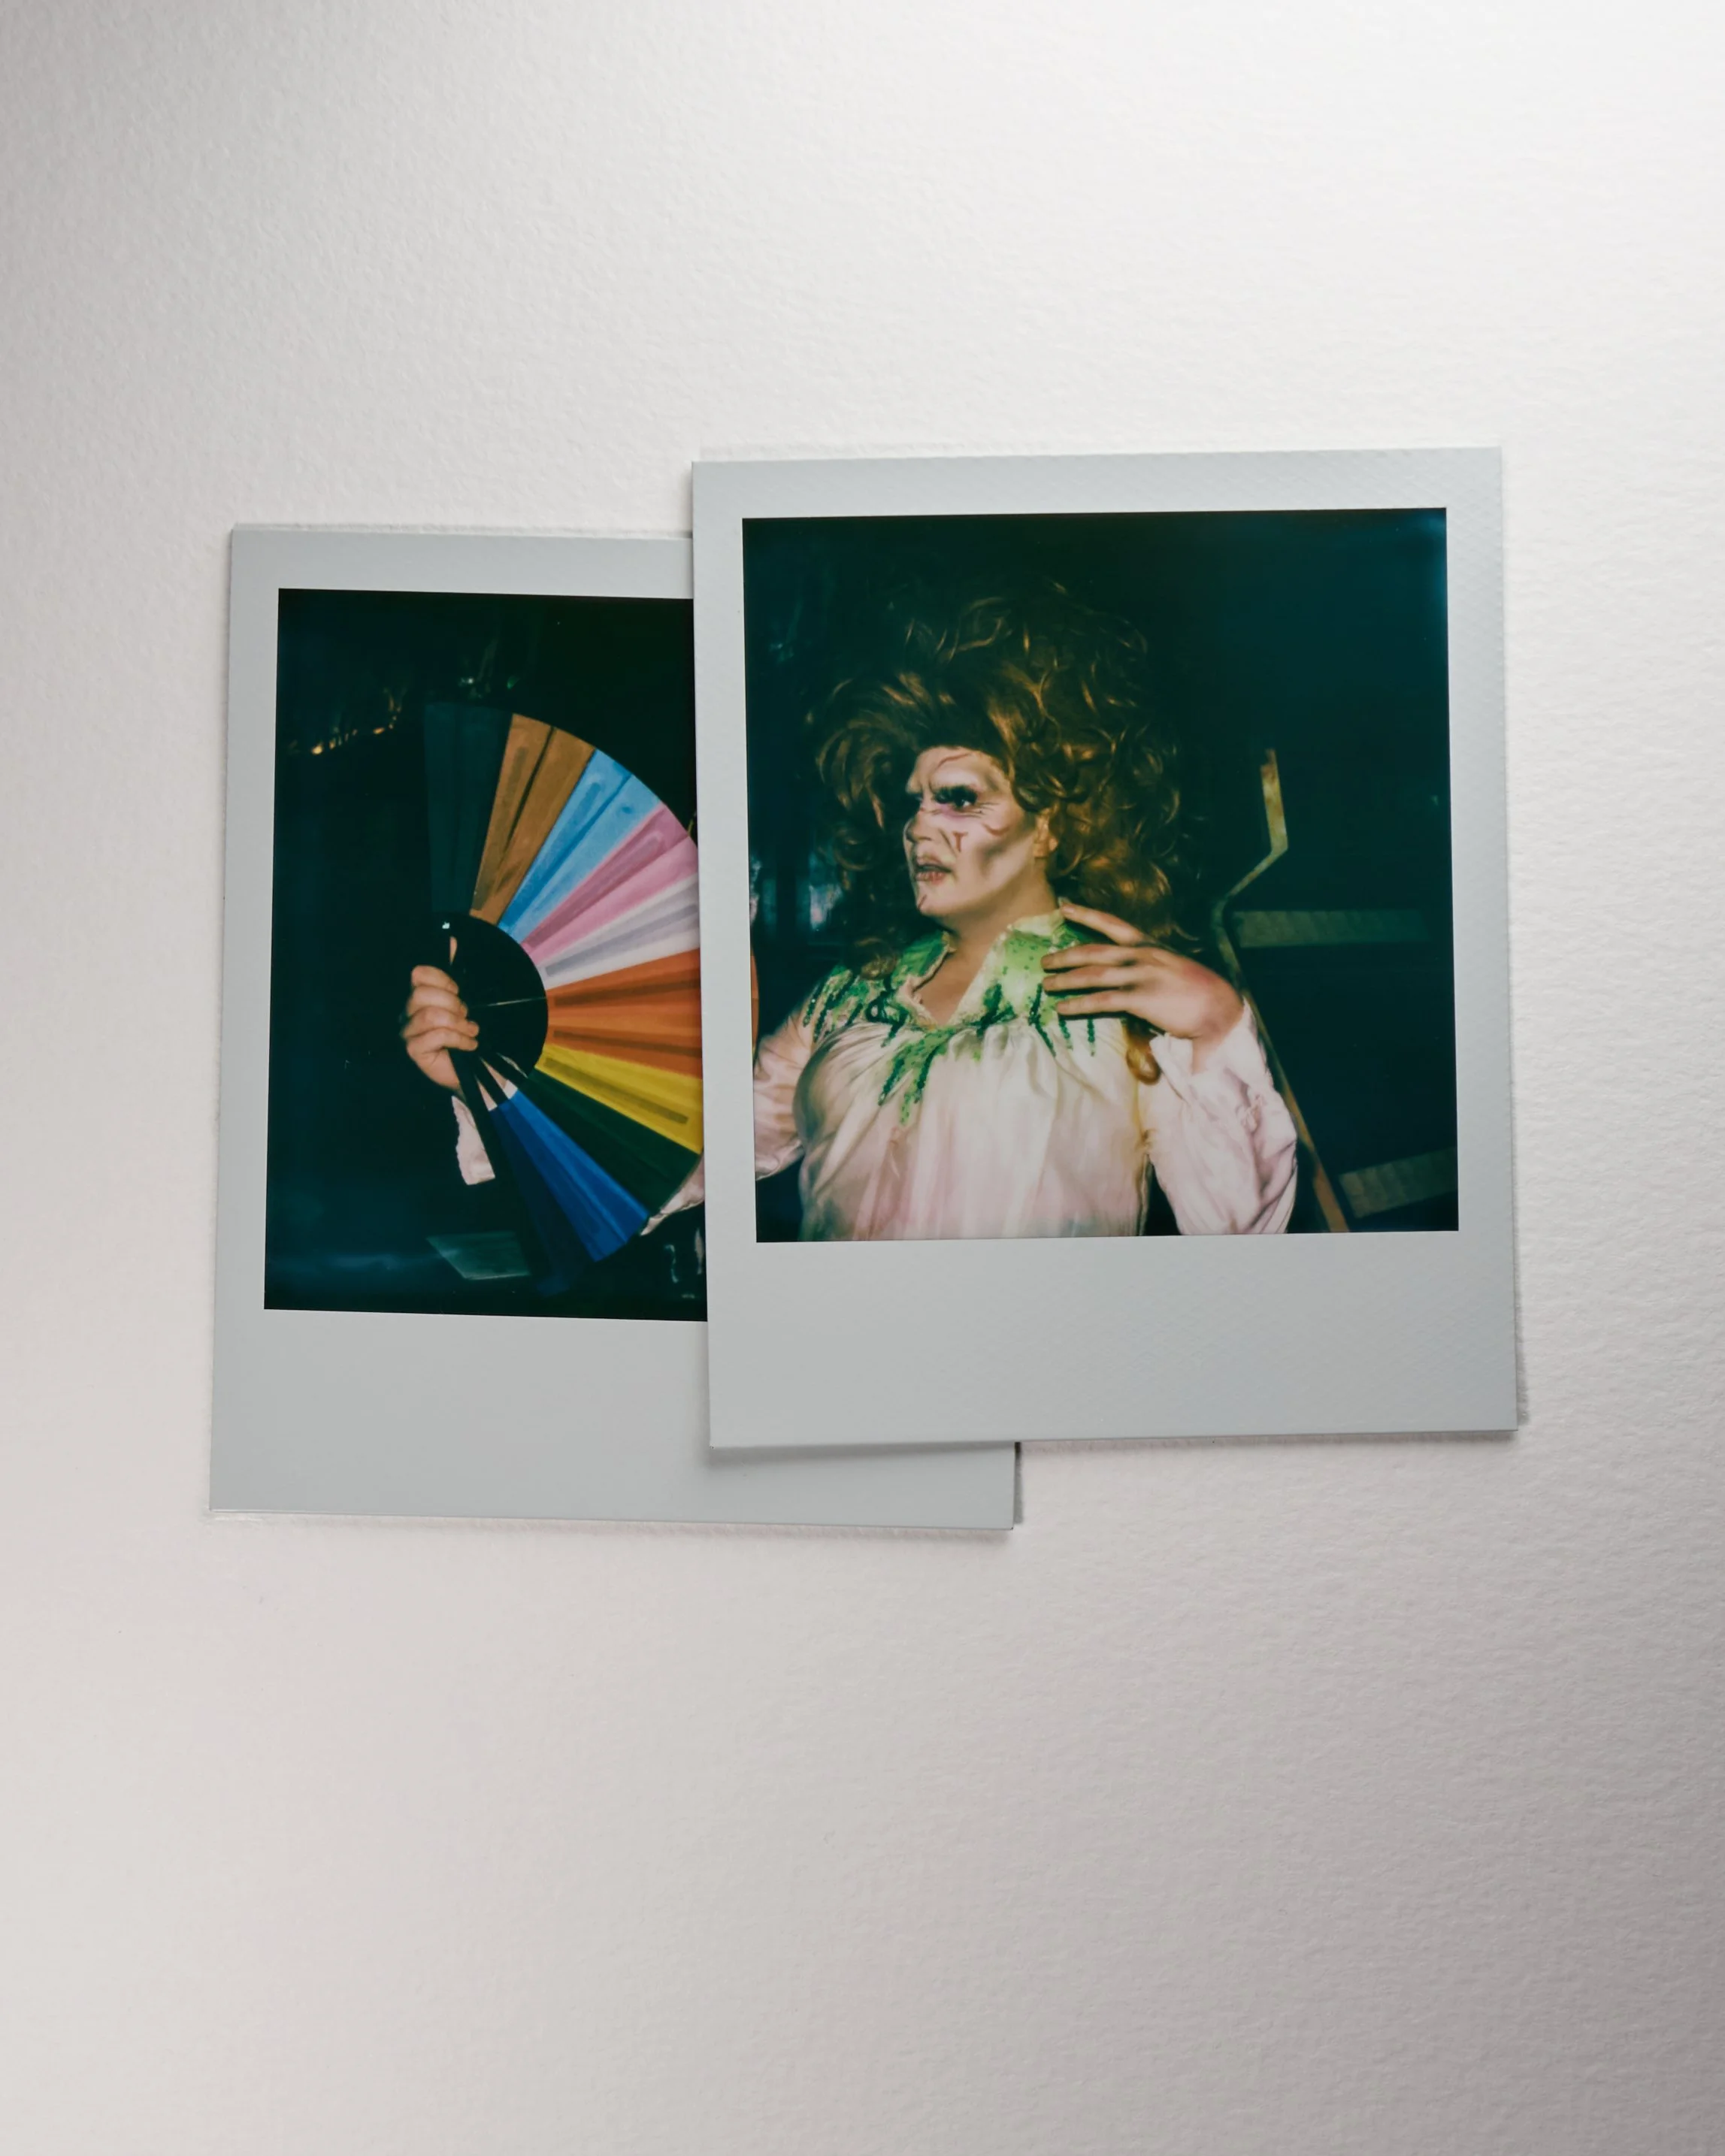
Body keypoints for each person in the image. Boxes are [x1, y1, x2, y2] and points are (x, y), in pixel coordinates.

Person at [746, 585, 1297, 1240]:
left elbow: (1241, 1231)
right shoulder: (848, 990)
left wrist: (1215, 1028)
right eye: (912, 802)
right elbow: (714, 1154)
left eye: (957, 798)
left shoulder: (1128, 999)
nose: (918, 829)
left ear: (1046, 828)